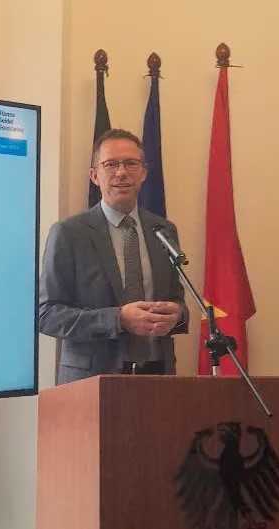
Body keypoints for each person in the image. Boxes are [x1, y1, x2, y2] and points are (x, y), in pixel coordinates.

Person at [39, 128, 188, 384]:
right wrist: (118, 319)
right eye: (111, 164)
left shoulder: (163, 230)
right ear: (94, 176)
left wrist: (177, 315)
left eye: (131, 163)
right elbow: (47, 314)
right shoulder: (69, 233)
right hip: (92, 381)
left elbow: (176, 299)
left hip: (157, 377)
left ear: (143, 173)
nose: (121, 172)